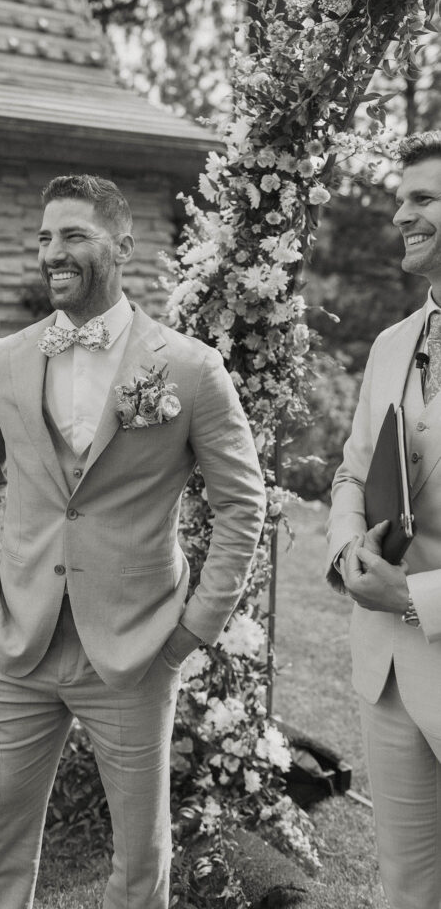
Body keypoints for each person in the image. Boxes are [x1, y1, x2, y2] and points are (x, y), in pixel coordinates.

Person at [0, 173, 266, 909]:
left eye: (72, 236)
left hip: (134, 648)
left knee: (137, 857)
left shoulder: (189, 369)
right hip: (16, 641)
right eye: (43, 237)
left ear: (122, 246)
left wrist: (194, 628)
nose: (51, 253)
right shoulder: (2, 359)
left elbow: (241, 503)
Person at [327, 131, 441, 909]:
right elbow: (350, 466)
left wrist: (412, 597)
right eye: (400, 199)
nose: (400, 214)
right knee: (406, 888)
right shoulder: (389, 344)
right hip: (389, 676)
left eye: (422, 198)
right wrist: (346, 555)